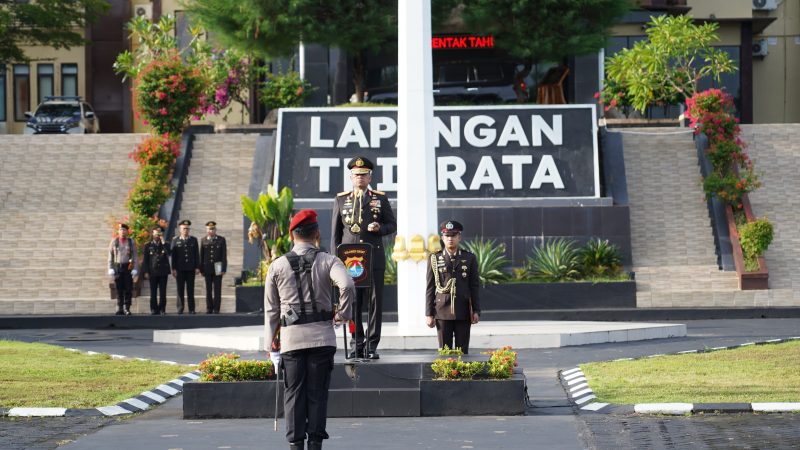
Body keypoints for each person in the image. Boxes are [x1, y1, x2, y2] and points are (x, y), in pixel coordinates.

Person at [265, 209, 354, 450]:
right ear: (316, 233)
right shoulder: (329, 260)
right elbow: (346, 284)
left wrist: (270, 345)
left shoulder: (277, 266)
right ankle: (315, 443)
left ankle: (295, 444)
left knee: (293, 393)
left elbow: (271, 311)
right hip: (322, 339)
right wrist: (343, 314)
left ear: (292, 235)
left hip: (292, 341)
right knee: (317, 394)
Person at [331, 156, 396, 359]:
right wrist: (335, 263)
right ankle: (356, 343)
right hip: (349, 260)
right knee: (353, 302)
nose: (360, 178)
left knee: (375, 302)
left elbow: (392, 225)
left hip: (373, 257)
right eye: (356, 175)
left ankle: (372, 344)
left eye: (364, 175)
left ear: (370, 177)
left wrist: (379, 228)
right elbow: (335, 233)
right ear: (351, 177)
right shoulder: (341, 199)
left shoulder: (380, 198)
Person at [425, 220, 481, 354]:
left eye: (453, 235)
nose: (450, 239)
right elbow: (430, 287)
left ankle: (461, 376)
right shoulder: (434, 258)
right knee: (445, 352)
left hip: (463, 310)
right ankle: (446, 376)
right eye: (447, 236)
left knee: (462, 352)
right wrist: (429, 313)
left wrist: (476, 310)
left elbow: (474, 286)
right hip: (442, 311)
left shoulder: (469, 258)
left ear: (459, 237)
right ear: (442, 238)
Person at [107, 223, 139, 315]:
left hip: (128, 267)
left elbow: (135, 256)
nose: (122, 232)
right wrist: (110, 268)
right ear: (118, 231)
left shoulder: (130, 241)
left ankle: (127, 308)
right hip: (118, 268)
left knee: (128, 288)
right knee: (119, 289)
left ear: (127, 231)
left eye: (124, 230)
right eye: (121, 230)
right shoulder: (114, 241)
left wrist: (135, 268)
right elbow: (110, 256)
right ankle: (120, 308)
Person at [171, 219, 200, 314]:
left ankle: (192, 309)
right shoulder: (175, 240)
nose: (186, 230)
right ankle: (180, 308)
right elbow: (173, 256)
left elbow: (197, 254)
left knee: (190, 289)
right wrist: (173, 268)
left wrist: (197, 267)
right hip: (179, 269)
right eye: (184, 228)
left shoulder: (193, 240)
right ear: (180, 229)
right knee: (180, 290)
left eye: (187, 229)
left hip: (191, 269)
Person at [142, 226, 171, 315]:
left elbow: (169, 253)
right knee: (153, 291)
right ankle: (154, 309)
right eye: (156, 233)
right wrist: (146, 271)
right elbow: (145, 260)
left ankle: (162, 309)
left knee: (163, 291)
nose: (157, 235)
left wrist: (163, 242)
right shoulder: (148, 245)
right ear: (152, 234)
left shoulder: (165, 244)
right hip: (153, 271)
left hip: (163, 271)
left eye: (159, 233)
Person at [200, 220, 227, 314]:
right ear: (206, 230)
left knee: (217, 289)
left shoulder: (221, 239)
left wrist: (223, 268)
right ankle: (209, 308)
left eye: (212, 229)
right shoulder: (203, 240)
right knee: (208, 289)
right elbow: (201, 255)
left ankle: (216, 308)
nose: (211, 231)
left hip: (218, 266)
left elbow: (224, 255)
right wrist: (201, 269)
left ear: (215, 230)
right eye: (209, 229)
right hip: (207, 267)